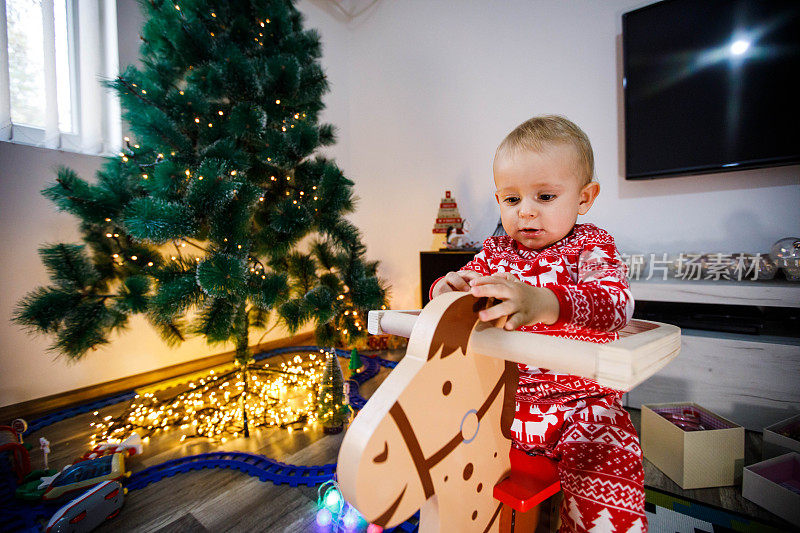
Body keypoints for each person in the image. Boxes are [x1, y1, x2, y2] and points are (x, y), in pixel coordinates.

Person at [430, 115, 645, 532]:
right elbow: (461, 284)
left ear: (584, 199)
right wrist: (447, 288)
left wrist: (545, 303)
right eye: (511, 200)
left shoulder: (592, 246)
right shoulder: (496, 252)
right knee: (437, 444)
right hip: (500, 402)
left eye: (544, 196)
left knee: (611, 460)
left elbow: (617, 304)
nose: (525, 212)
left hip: (581, 404)